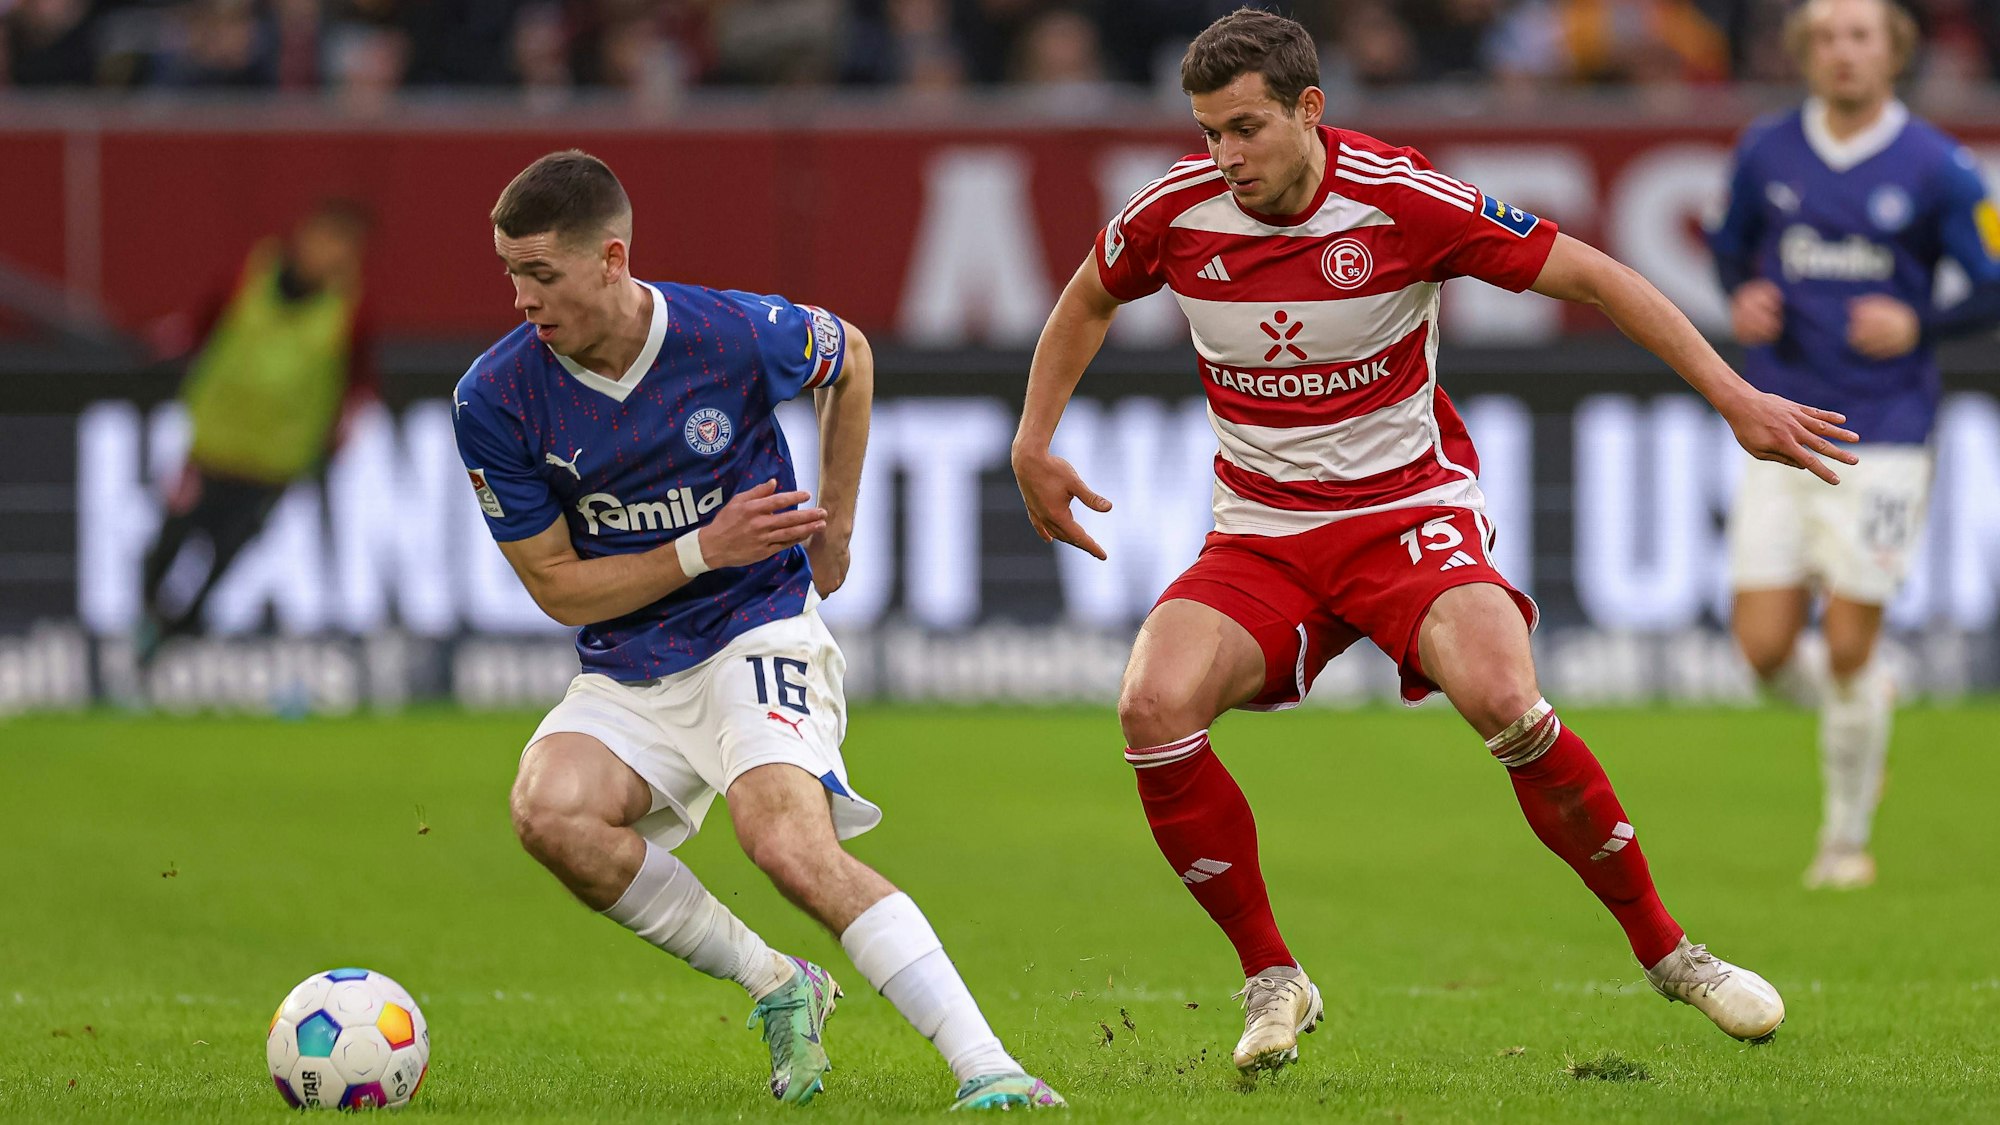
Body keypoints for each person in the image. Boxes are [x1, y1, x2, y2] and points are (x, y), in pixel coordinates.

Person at [1012, 7, 1855, 1075]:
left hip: (1406, 518)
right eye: (1208, 132)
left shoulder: (1402, 198)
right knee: (1150, 706)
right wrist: (1032, 440)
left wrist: (1735, 398)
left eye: (1246, 129)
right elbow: (1088, 297)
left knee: (1505, 697)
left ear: (1309, 110)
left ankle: (1669, 953)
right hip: (1262, 535)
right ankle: (1272, 976)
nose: (1224, 156)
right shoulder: (1173, 213)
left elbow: (1595, 275)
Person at [451, 151, 1061, 1111]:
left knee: (784, 842)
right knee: (549, 809)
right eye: (509, 272)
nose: (521, 298)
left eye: (540, 273)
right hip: (631, 667)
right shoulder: (495, 397)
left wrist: (838, 521)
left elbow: (850, 356)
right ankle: (779, 981)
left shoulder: (726, 334)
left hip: (757, 628)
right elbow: (559, 588)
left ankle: (990, 1067)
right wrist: (703, 546)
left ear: (611, 259)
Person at [1709, 0, 2000, 891]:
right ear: (1805, 52)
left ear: (1893, 52)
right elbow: (1730, 248)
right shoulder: (1766, 150)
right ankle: (1868, 703)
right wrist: (1742, 295)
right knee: (1763, 652)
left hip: (1888, 433)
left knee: (1846, 644)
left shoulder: (1941, 167)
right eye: (1827, 37)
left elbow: (1992, 282)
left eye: (1860, 36)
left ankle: (1843, 842)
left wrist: (1920, 322)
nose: (1843, 52)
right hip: (1781, 423)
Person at [137, 199, 376, 664]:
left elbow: (357, 383)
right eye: (327, 239)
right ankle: (151, 618)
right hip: (212, 446)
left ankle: (180, 631)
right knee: (171, 541)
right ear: (303, 234)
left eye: (344, 248)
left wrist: (339, 437)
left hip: (274, 462)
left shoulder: (350, 312)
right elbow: (199, 329)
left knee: (227, 552)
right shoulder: (247, 277)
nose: (330, 254)